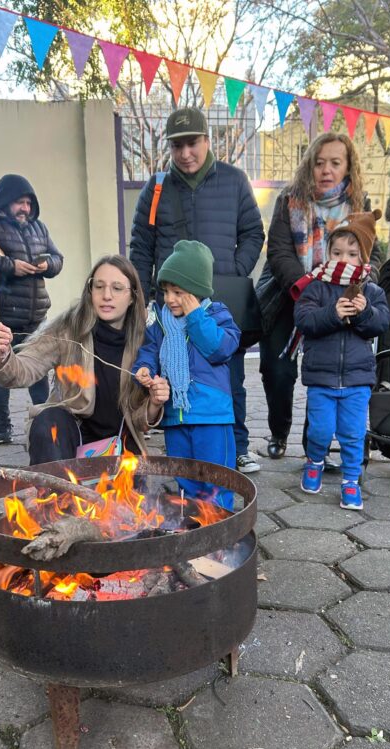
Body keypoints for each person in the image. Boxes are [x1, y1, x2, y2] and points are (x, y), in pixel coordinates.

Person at [129, 106, 265, 474]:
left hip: (219, 300)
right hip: (169, 303)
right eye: (177, 146)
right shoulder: (156, 189)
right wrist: (143, 296)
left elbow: (254, 232)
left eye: (192, 143)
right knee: (171, 367)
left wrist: (233, 273)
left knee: (228, 373)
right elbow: (140, 245)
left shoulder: (235, 181)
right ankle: (184, 439)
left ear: (207, 140)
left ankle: (236, 445)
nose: (185, 153)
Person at [263, 132, 382, 463]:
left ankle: (312, 442)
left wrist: (358, 288)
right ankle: (278, 429)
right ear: (309, 165)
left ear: (348, 167)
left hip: (339, 297)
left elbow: (372, 252)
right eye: (319, 163)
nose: (326, 170)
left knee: (325, 371)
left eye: (335, 163)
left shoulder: (359, 205)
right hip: (293, 293)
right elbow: (279, 251)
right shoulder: (289, 200)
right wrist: (304, 284)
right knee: (277, 368)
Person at [0, 255, 168, 462]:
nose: (106, 295)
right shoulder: (68, 329)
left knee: (127, 494)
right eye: (99, 286)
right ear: (90, 291)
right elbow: (21, 371)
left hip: (120, 447)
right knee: (48, 422)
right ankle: (55, 492)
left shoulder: (145, 343)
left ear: (133, 296)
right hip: (71, 439)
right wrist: (3, 354)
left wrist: (154, 403)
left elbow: (143, 422)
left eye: (117, 288)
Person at [133, 240, 240, 509]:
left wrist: (195, 317)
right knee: (186, 479)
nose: (169, 299)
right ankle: (194, 527)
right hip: (175, 418)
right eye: (166, 291)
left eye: (178, 292)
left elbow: (218, 348)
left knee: (217, 479)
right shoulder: (160, 322)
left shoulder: (215, 315)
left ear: (196, 292)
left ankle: (221, 530)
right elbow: (150, 350)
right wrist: (144, 369)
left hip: (211, 416)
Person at [294, 210, 390, 510]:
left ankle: (351, 480)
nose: (343, 259)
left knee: (352, 433)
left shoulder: (371, 290)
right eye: (337, 252)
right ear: (327, 253)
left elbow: (382, 324)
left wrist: (364, 312)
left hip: (357, 379)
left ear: (363, 258)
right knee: (320, 429)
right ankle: (315, 460)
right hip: (321, 378)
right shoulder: (316, 286)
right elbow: (304, 319)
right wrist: (333, 313)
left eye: (351, 253)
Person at [0, 174, 64, 444]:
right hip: (0, 317)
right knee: (0, 374)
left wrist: (47, 265)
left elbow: (58, 259)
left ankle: (45, 424)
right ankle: (2, 427)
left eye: (29, 203)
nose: (25, 209)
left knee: (38, 373)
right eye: (19, 202)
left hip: (35, 316)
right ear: (4, 202)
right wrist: (10, 266)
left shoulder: (38, 228)